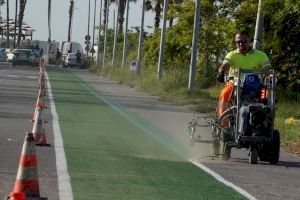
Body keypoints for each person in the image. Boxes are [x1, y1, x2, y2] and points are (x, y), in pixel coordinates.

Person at [217, 31, 271, 128]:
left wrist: (268, 73)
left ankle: (266, 126)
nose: (241, 44)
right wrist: (221, 72)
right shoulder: (232, 55)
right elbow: (225, 65)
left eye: (244, 41)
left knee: (268, 95)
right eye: (238, 42)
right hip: (235, 84)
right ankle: (223, 126)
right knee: (225, 93)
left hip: (255, 85)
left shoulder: (260, 55)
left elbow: (267, 68)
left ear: (249, 41)